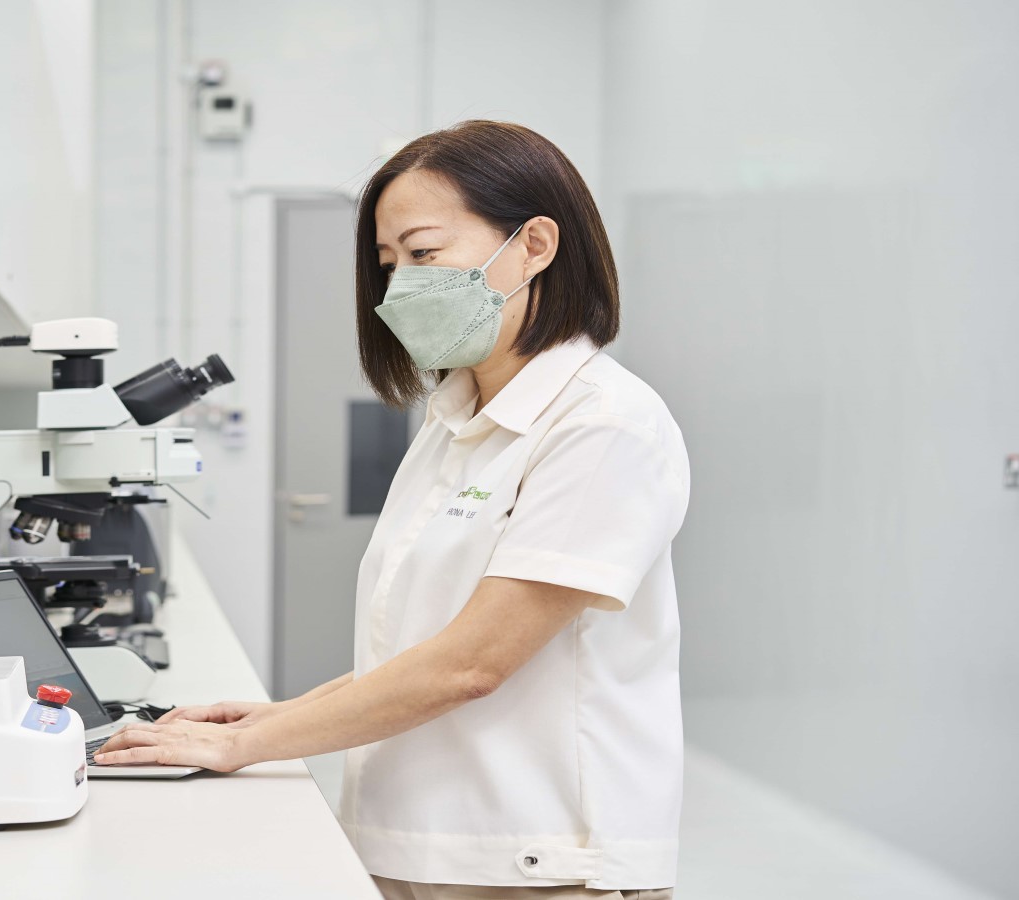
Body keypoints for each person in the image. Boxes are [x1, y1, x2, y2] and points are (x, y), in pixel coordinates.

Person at [95, 120, 688, 900]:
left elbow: (472, 665)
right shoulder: (456, 420)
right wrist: (269, 718)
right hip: (418, 847)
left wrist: (253, 746)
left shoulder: (603, 424)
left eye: (423, 252)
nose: (400, 282)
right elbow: (422, 648)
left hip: (540, 861)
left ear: (535, 244)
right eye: (387, 262)